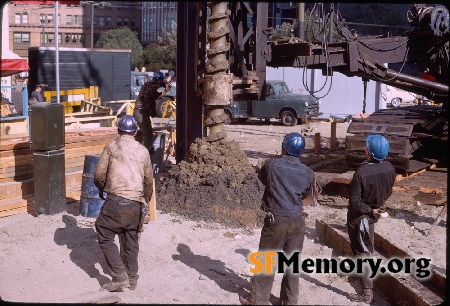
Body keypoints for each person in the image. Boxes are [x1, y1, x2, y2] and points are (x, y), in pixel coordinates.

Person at [240, 132, 315, 305]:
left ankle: (258, 300)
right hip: (297, 220)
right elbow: (305, 195)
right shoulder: (308, 172)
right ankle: (289, 301)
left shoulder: (271, 165)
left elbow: (263, 179)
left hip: (276, 219)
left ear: (283, 147)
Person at [94, 115, 153, 292]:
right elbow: (148, 181)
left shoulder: (112, 147)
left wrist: (101, 187)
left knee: (104, 232)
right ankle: (132, 278)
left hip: (116, 200)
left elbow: (99, 174)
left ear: (118, 131)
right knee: (130, 239)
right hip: (136, 203)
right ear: (135, 132)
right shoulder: (143, 151)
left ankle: (120, 277)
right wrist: (145, 201)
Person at [346, 134, 396, 303]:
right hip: (375, 214)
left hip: (360, 217)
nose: (364, 148)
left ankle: (366, 293)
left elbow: (355, 202)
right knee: (367, 244)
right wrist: (376, 208)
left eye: (366, 146)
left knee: (362, 252)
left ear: (369, 151)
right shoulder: (389, 167)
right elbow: (389, 192)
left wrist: (368, 209)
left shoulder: (361, 172)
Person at [133, 71, 172, 154]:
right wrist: (165, 82)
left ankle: (143, 151)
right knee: (148, 134)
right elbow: (155, 84)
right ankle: (144, 154)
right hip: (140, 112)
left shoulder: (151, 89)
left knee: (145, 132)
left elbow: (158, 96)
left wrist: (166, 90)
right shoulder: (148, 85)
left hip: (142, 113)